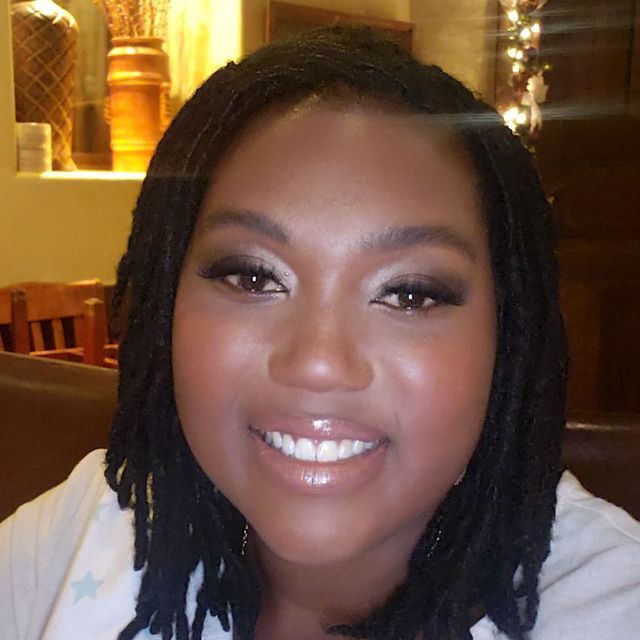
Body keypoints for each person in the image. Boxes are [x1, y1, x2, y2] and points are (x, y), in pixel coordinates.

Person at [1, 25, 639, 640]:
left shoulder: (612, 605)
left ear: (508, 337)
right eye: (253, 277)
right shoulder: (92, 525)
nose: (318, 362)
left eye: (409, 293)